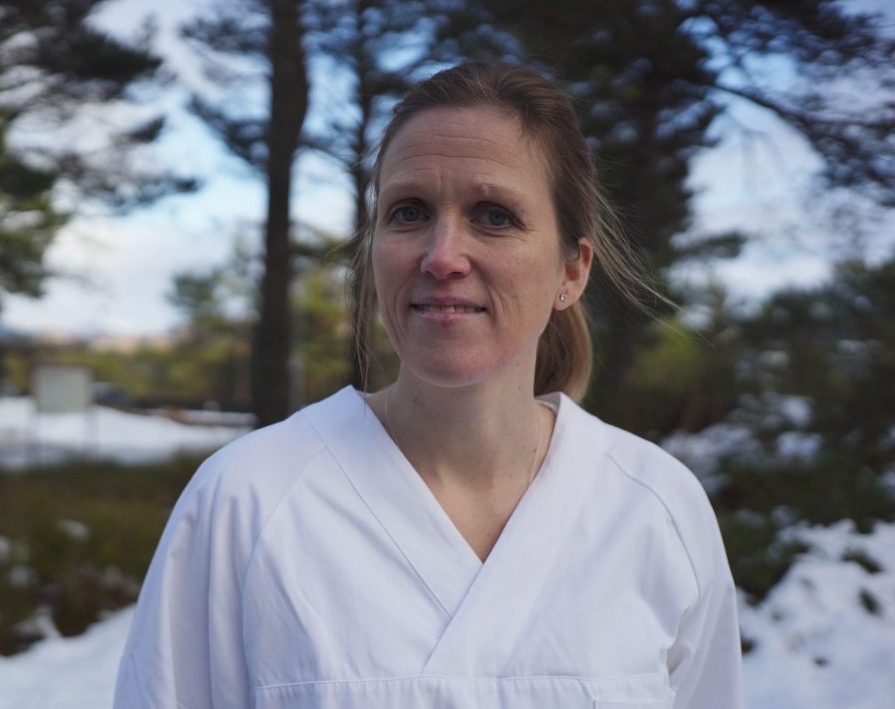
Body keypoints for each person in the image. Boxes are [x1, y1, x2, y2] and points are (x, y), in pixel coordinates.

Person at [114, 62, 745, 708]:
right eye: (409, 212)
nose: (442, 257)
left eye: (494, 216)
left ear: (572, 270)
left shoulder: (655, 509)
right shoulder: (247, 500)